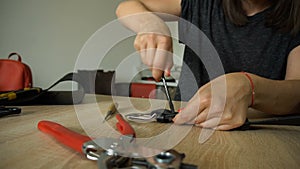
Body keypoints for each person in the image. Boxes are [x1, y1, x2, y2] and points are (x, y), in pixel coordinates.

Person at [116, 0, 300, 130]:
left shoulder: (295, 19)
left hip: (260, 137)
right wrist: (151, 25)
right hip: (182, 130)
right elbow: (126, 7)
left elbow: (295, 95)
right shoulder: (203, 3)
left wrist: (250, 87)